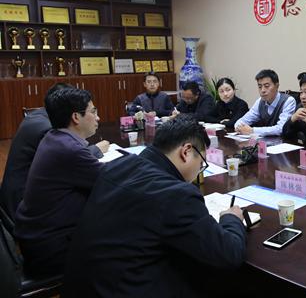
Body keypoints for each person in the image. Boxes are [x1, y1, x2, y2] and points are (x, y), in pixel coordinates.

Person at [63, 115, 246, 297]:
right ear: (186, 151)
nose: (199, 171)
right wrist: (231, 219)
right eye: (201, 164)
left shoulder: (117, 166)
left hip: (82, 286)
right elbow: (229, 255)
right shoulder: (177, 195)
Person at [14, 88, 105, 276]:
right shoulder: (70, 149)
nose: (98, 117)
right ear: (76, 117)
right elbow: (112, 181)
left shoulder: (54, 137)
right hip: (52, 250)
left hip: (36, 239)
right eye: (93, 111)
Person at [0, 84, 108, 223]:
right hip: (22, 204)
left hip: (21, 199)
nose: (97, 117)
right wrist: (97, 149)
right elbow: (71, 157)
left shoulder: (38, 117)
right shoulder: (47, 129)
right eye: (93, 111)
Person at [234, 69, 296, 136]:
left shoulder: (288, 101)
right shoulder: (260, 101)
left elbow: (281, 128)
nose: (263, 90)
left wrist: (252, 130)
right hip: (265, 141)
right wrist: (239, 127)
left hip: (284, 141)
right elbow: (242, 121)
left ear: (277, 86)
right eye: (260, 87)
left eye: (266, 86)